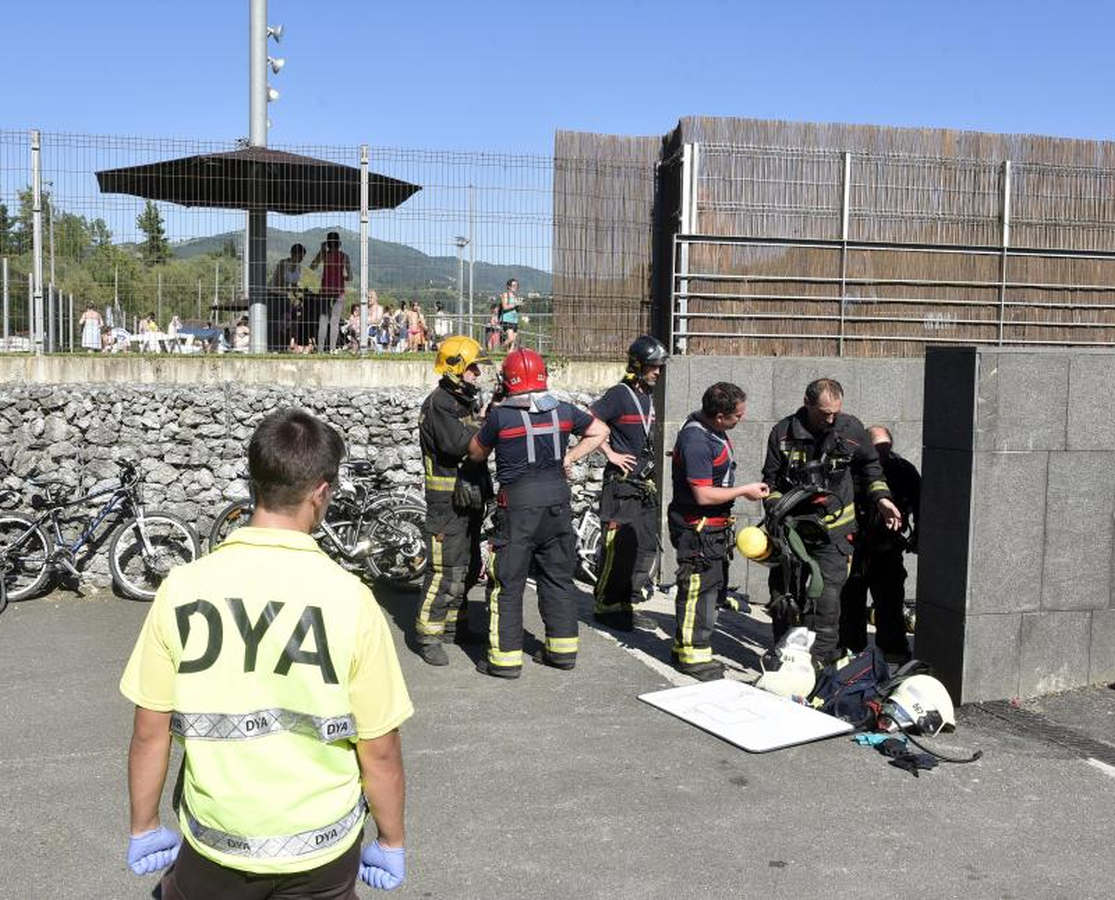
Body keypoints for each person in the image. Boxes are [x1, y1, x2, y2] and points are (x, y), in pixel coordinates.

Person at [120, 408, 414, 897]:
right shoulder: (351, 599)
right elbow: (379, 750)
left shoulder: (182, 588)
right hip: (322, 847)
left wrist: (144, 825)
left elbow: (150, 734)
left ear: (254, 483)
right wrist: (391, 838)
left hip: (217, 841)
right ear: (321, 492)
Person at [467, 349, 608, 678]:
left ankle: (504, 660)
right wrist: (569, 457)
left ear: (507, 380)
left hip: (516, 506)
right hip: (557, 504)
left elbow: (475, 453)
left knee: (509, 581)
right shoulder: (563, 410)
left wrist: (488, 418)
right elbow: (600, 431)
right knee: (558, 577)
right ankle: (562, 651)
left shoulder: (501, 417)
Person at [762, 378, 902, 666]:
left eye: (835, 412)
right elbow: (771, 481)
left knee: (827, 600)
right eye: (823, 412)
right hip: (792, 532)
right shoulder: (783, 433)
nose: (830, 418)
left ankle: (819, 663)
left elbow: (871, 470)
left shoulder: (851, 429)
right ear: (807, 402)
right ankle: (784, 656)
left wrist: (883, 500)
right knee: (787, 596)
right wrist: (777, 506)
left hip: (834, 534)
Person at [668, 382, 770, 680]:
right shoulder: (696, 441)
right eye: (738, 415)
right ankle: (691, 655)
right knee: (697, 589)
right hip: (697, 528)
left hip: (711, 528)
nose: (742, 418)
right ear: (720, 416)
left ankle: (689, 644)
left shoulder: (711, 430)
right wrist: (744, 491)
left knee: (709, 587)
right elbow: (702, 495)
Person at [414, 336, 494, 666]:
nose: (477, 373)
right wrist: (489, 424)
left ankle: (454, 627)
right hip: (445, 502)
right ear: (454, 369)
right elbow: (459, 445)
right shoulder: (439, 405)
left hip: (466, 499)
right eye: (472, 367)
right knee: (444, 568)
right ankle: (427, 635)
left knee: (467, 565)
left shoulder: (460, 403)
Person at [590, 335, 668, 631]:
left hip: (643, 484)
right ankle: (606, 605)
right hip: (621, 485)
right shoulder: (619, 395)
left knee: (644, 545)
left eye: (660, 367)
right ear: (637, 365)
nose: (658, 372)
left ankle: (627, 602)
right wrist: (610, 453)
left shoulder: (648, 396)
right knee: (618, 547)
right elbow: (588, 421)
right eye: (653, 367)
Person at [839, 426, 921, 662]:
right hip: (853, 547)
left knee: (890, 600)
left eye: (885, 448)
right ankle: (851, 650)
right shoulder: (850, 468)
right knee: (850, 600)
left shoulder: (903, 470)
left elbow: (920, 503)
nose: (881, 454)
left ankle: (893, 651)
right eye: (876, 449)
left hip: (886, 546)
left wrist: (918, 535)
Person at [309, 231, 352, 352]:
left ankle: (320, 350)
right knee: (335, 321)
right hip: (339, 290)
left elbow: (312, 266)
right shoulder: (344, 257)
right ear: (339, 244)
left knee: (323, 320)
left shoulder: (324, 255)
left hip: (325, 290)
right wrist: (341, 277)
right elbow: (350, 277)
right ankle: (332, 349)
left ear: (327, 243)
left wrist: (321, 251)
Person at [498, 279, 523, 351]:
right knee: (510, 339)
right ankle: (499, 348)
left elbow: (516, 309)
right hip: (507, 319)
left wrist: (520, 305)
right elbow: (505, 307)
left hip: (514, 320)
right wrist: (515, 304)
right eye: (514, 285)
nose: (515, 287)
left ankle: (509, 357)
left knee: (513, 342)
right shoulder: (505, 295)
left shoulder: (515, 297)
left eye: (517, 286)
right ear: (509, 286)